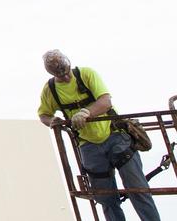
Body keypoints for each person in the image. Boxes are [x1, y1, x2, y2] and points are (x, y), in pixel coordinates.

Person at [37, 49, 161, 221]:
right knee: (106, 198)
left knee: (138, 190)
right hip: (88, 145)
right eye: (59, 75)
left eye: (66, 72)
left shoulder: (86, 74)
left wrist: (85, 112)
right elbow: (43, 114)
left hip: (115, 136)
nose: (65, 77)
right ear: (51, 73)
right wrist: (53, 121)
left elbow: (105, 101)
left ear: (69, 64)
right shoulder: (50, 90)